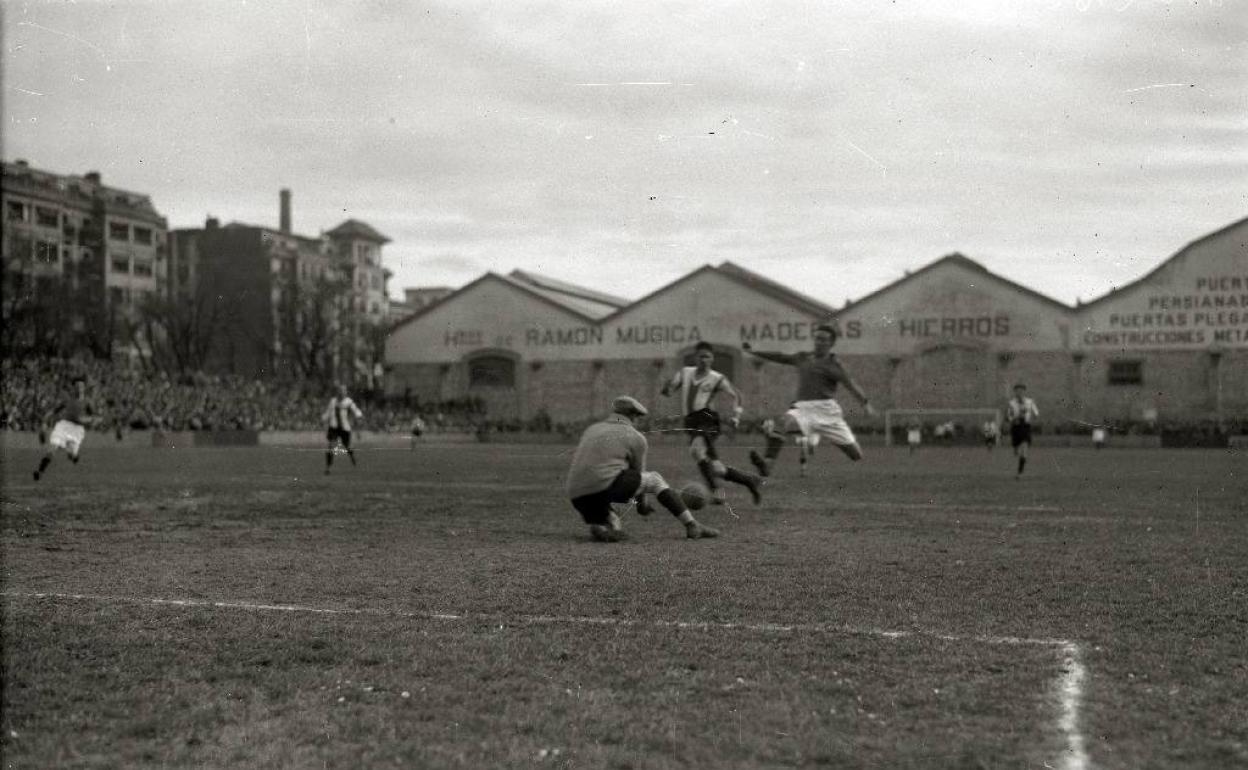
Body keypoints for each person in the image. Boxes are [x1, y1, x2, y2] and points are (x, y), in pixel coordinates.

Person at [566, 396, 719, 542]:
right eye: (638, 418)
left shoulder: (592, 429)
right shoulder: (635, 436)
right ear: (633, 416)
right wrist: (642, 505)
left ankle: (604, 525)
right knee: (654, 479)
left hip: (577, 495)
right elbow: (640, 475)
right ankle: (692, 525)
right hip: (605, 486)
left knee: (613, 519)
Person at [744, 322, 878, 477]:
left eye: (823, 339)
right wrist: (754, 352)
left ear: (831, 343)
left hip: (827, 412)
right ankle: (767, 465)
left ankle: (776, 432)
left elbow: (851, 385)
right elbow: (780, 356)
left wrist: (866, 404)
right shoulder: (802, 357)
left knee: (856, 455)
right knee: (782, 422)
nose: (818, 342)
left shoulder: (835, 365)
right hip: (803, 408)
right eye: (817, 338)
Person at [659, 341, 762, 505]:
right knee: (716, 468)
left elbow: (737, 395)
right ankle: (749, 480)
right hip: (691, 421)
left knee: (696, 450)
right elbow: (669, 391)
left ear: (712, 358)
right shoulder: (685, 372)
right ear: (695, 357)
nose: (704, 360)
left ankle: (717, 493)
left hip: (708, 419)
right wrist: (666, 388)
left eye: (707, 357)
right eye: (701, 356)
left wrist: (736, 416)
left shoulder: (716, 378)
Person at [33, 377, 95, 481]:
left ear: (84, 388)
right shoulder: (68, 400)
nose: (79, 388)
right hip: (63, 426)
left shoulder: (87, 402)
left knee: (71, 454)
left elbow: (92, 417)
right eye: (77, 386)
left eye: (81, 386)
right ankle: (40, 471)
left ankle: (74, 457)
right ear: (73, 388)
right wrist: (44, 422)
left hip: (77, 430)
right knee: (52, 449)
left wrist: (85, 420)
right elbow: (54, 411)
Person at [323, 384, 364, 474]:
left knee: (348, 447)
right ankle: (328, 468)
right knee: (331, 446)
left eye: (343, 390)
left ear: (346, 392)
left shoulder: (349, 402)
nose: (341, 392)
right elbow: (328, 412)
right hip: (333, 427)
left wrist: (358, 425)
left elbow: (357, 413)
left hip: (345, 428)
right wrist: (324, 419)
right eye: (340, 390)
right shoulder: (333, 401)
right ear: (337, 391)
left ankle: (353, 458)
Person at [1007, 383, 1040, 477]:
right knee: (1016, 448)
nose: (1019, 392)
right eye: (1017, 391)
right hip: (1015, 427)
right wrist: (1014, 418)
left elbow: (1036, 413)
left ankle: (1019, 472)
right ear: (1015, 392)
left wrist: (1031, 417)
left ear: (1024, 391)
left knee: (1024, 448)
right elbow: (1008, 417)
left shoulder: (1030, 402)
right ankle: (1015, 448)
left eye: (1021, 390)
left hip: (1025, 427)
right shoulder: (1011, 403)